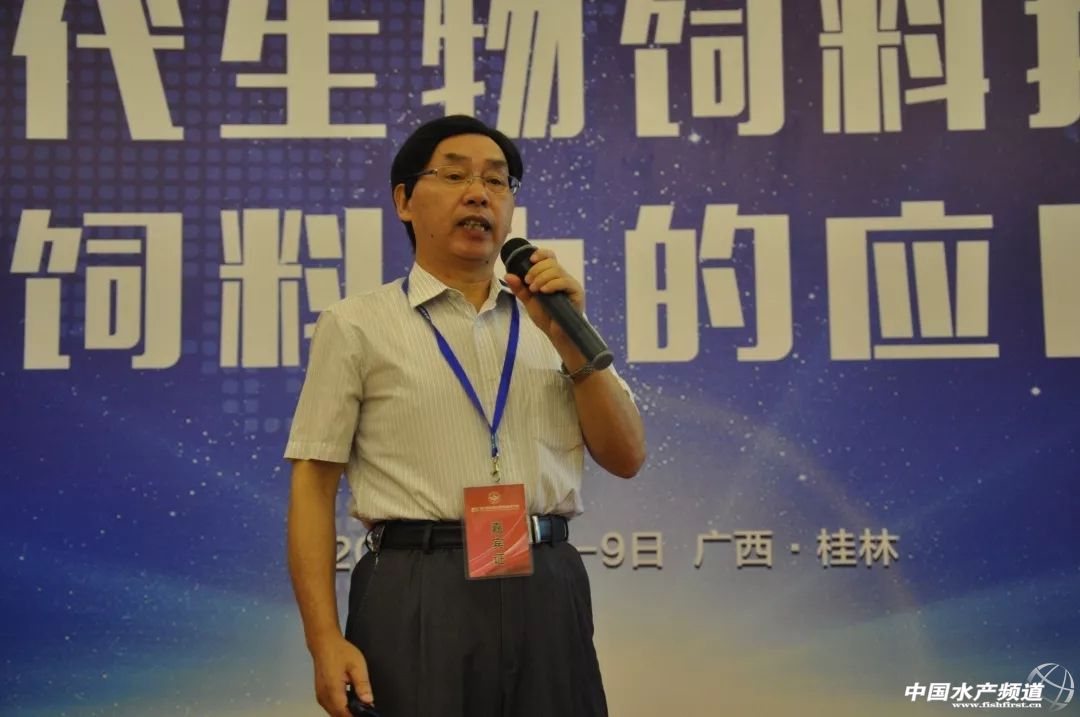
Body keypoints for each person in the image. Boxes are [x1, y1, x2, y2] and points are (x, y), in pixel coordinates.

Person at [284, 114, 646, 717]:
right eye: (454, 176)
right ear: (404, 201)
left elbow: (627, 456)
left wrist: (569, 342)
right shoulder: (356, 325)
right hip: (415, 586)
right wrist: (323, 640)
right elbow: (313, 487)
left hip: (546, 584)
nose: (479, 194)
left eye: (497, 182)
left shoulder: (552, 319)